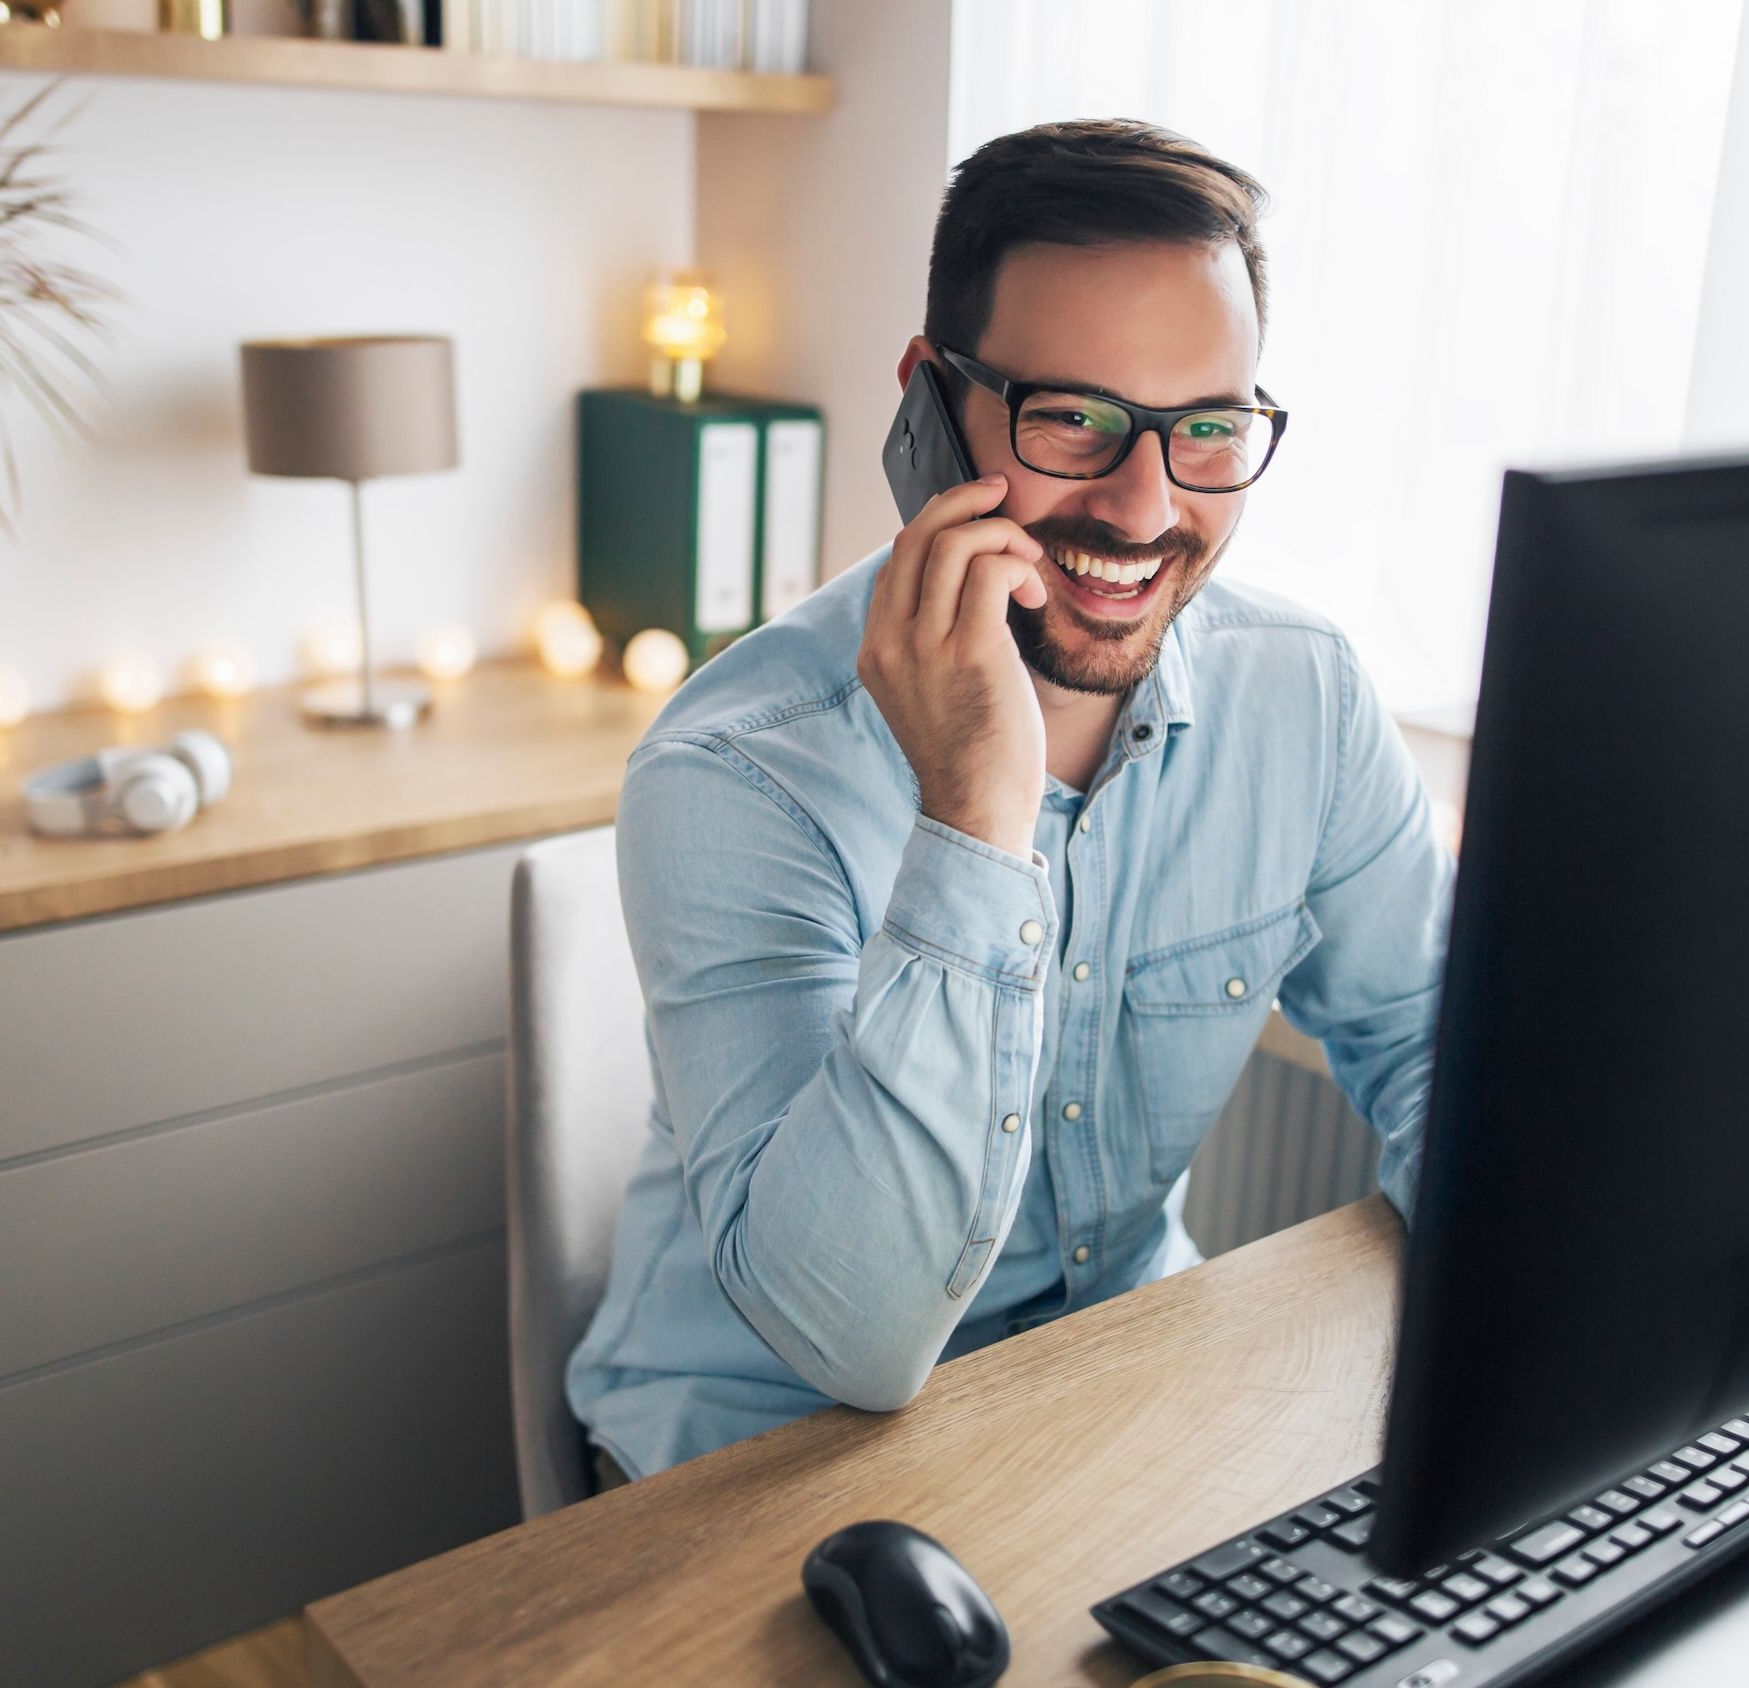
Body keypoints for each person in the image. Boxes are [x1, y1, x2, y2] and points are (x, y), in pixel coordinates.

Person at [565, 119, 1454, 1485]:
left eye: (1208, 428)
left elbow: (1438, 1043)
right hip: (750, 1456)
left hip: (1111, 1396)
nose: (1147, 506)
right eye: (1075, 419)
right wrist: (975, 811)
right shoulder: (737, 767)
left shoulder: (1308, 699)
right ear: (928, 403)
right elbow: (852, 1345)